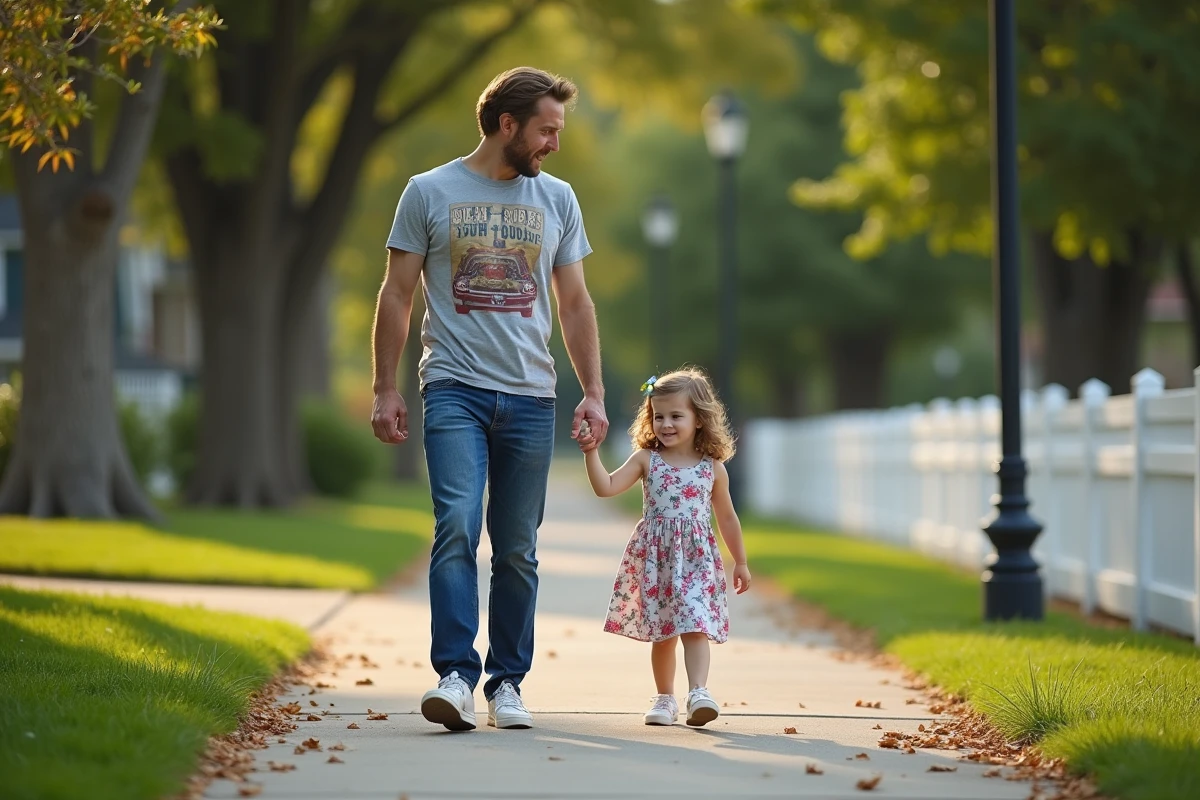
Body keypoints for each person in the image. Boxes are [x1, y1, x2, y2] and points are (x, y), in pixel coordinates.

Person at [370, 66, 609, 732]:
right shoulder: (428, 192)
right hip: (453, 389)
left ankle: (508, 683)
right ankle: (454, 674)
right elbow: (396, 293)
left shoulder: (558, 199)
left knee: (517, 549)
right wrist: (385, 385)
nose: (554, 144)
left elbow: (576, 301)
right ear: (509, 125)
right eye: (546, 130)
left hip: (532, 399)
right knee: (455, 526)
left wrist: (593, 392)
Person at [576, 368, 751, 727]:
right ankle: (665, 697)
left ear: (699, 419)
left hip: (698, 561)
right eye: (659, 416)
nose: (666, 424)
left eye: (676, 416)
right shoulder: (646, 459)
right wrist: (590, 452)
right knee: (665, 631)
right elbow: (606, 487)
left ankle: (698, 692)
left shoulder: (712, 469)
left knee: (695, 623)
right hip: (658, 561)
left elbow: (728, 518)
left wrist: (741, 561)